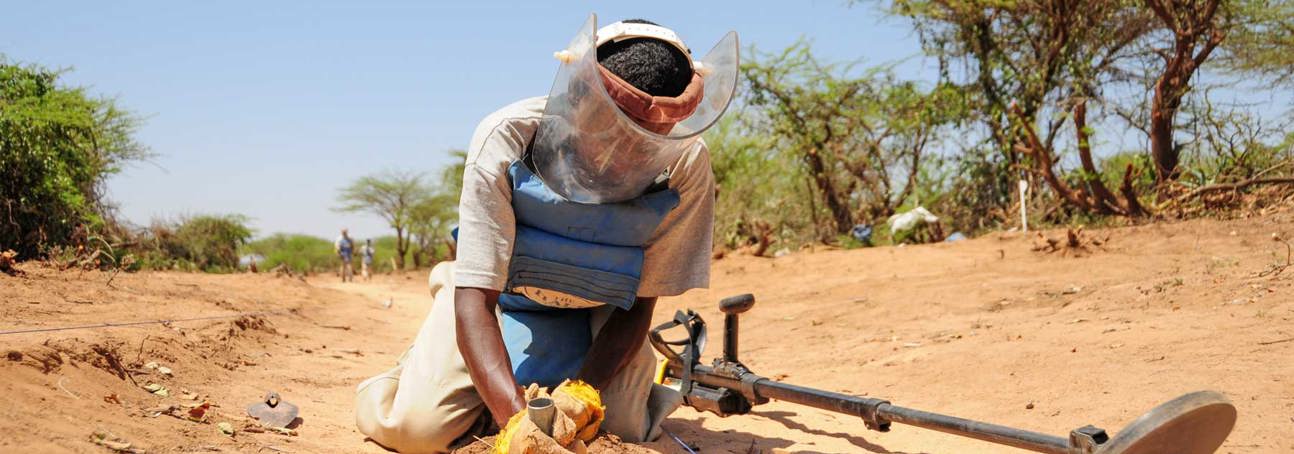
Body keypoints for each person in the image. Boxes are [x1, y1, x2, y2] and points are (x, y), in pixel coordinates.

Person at [354, 15, 738, 453]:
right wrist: (519, 423)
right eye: (612, 131)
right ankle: (406, 379)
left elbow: (641, 303)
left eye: (647, 143)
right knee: (416, 431)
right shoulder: (507, 137)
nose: (623, 154)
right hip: (501, 300)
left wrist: (584, 395)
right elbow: (476, 299)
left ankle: (543, 392)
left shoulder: (685, 165)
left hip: (603, 310)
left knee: (620, 432)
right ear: (577, 95)